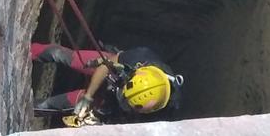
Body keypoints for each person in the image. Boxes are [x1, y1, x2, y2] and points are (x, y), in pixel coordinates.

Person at [31, 42, 182, 122]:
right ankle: (27, 50)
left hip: (112, 106)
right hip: (116, 70)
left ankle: (29, 108)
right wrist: (88, 95)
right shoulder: (140, 57)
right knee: (64, 56)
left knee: (52, 105)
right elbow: (105, 66)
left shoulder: (158, 117)